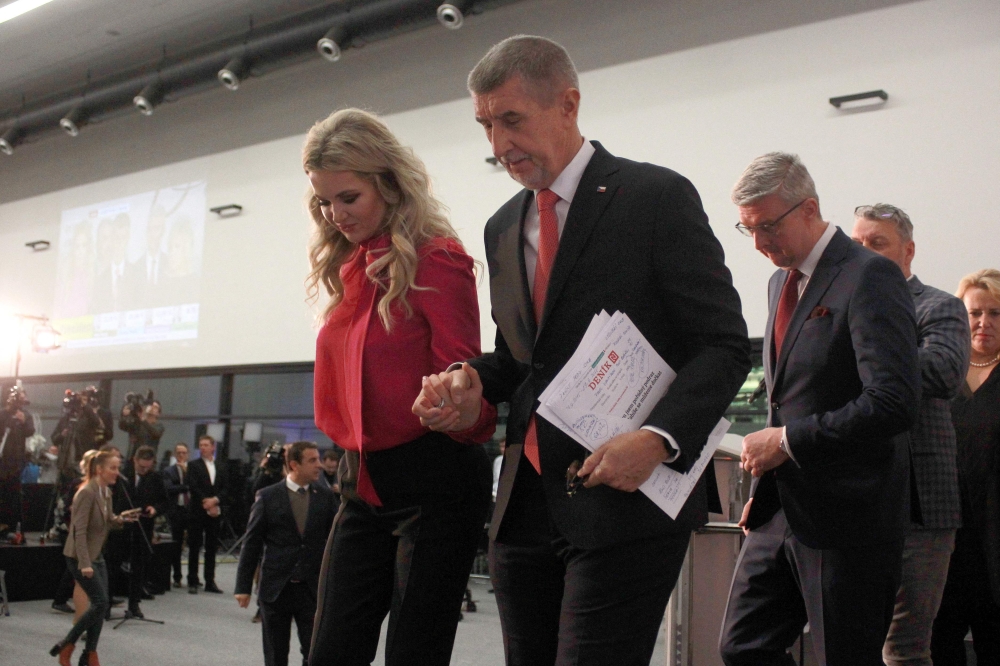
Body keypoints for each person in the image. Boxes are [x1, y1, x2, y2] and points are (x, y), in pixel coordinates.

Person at [413, 36, 751, 666]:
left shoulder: (655, 198)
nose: (497, 145)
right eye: (486, 124)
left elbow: (724, 345)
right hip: (525, 507)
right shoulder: (502, 225)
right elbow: (520, 360)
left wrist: (656, 440)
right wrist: (470, 381)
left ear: (568, 104)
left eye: (511, 119)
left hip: (627, 496)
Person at [304, 108, 495, 666]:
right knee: (331, 653)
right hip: (359, 483)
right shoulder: (350, 267)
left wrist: (454, 402)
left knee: (414, 655)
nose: (334, 214)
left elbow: (466, 388)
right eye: (323, 201)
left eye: (348, 197)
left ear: (388, 185)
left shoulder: (437, 261)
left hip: (434, 483)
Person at [718, 153, 920, 666]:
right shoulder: (778, 282)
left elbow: (892, 402)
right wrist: (768, 474)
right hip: (779, 507)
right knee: (742, 646)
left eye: (768, 226)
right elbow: (790, 395)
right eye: (748, 230)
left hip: (850, 514)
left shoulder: (869, 275)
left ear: (808, 209)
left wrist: (785, 443)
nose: (760, 244)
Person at [849, 203, 969, 666]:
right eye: (857, 244)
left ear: (908, 252)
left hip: (924, 506)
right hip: (854, 497)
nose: (864, 255)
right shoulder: (838, 308)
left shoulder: (938, 305)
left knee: (906, 649)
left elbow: (942, 373)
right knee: (847, 638)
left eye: (877, 244)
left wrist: (867, 355)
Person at [931, 268, 1000, 665]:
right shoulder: (940, 372)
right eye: (975, 313)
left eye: (995, 313)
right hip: (943, 537)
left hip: (994, 534)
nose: (983, 322)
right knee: (938, 639)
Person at [235, 441, 338, 666]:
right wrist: (243, 587)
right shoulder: (268, 496)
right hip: (275, 589)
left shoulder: (326, 497)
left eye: (319, 459)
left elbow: (336, 542)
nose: (319, 465)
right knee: (275, 655)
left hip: (311, 590)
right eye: (312, 460)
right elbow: (251, 544)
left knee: (314, 654)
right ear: (294, 465)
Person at [50, 449, 138, 666]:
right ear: (99, 469)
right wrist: (85, 563)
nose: (118, 472)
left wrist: (121, 520)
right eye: (113, 468)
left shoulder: (105, 492)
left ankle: (88, 656)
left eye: (118, 468)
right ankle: (67, 644)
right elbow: (78, 531)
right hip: (80, 556)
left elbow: (107, 520)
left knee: (102, 604)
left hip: (96, 554)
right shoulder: (86, 492)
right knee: (100, 603)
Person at [118, 445, 169, 617]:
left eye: (148, 467)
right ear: (134, 460)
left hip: (143, 527)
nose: (144, 470)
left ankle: (134, 604)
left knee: (138, 566)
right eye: (141, 467)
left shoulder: (155, 477)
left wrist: (155, 509)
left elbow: (164, 502)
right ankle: (108, 603)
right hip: (121, 526)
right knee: (114, 563)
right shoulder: (122, 474)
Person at [186, 434, 226, 594]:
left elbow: (225, 488)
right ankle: (193, 580)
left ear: (213, 447)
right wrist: (206, 502)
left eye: (206, 445)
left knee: (211, 547)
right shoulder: (193, 465)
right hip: (197, 510)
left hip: (215, 510)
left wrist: (215, 501)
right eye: (201, 445)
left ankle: (210, 580)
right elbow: (192, 486)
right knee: (194, 546)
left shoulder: (221, 466)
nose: (202, 447)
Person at [0, 386, 35, 532]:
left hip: (16, 459)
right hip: (3, 457)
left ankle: (11, 525)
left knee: (13, 492)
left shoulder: (26, 415)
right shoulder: (3, 414)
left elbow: (30, 431)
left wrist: (23, 420)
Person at [162, 442, 192, 588]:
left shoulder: (192, 470)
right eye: (178, 452)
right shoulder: (169, 471)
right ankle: (176, 576)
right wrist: (185, 487)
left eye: (184, 453)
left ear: (188, 454)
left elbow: (195, 486)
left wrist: (187, 475)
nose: (181, 455)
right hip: (176, 510)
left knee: (193, 543)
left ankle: (193, 578)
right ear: (175, 454)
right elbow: (169, 488)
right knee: (176, 544)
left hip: (190, 511)